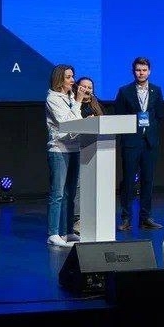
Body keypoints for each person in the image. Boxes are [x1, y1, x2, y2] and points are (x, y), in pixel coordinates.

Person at [114, 57, 164, 231]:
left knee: (148, 180)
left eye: (144, 70)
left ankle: (145, 218)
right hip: (131, 142)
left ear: (149, 71)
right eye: (138, 70)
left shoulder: (156, 90)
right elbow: (119, 116)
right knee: (128, 181)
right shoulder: (124, 91)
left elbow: (159, 115)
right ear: (133, 71)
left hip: (149, 142)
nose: (141, 73)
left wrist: (150, 132)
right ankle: (126, 218)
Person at [45, 64, 86, 247]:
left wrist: (77, 103)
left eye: (72, 76)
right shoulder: (52, 98)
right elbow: (66, 122)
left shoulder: (70, 97)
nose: (73, 80)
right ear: (60, 79)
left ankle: (67, 231)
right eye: (69, 77)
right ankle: (53, 233)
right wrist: (78, 101)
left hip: (74, 147)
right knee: (58, 193)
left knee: (71, 193)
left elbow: (77, 121)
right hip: (59, 149)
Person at [71, 76, 104, 235]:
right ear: (77, 87)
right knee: (78, 185)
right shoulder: (73, 104)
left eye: (89, 87)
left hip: (95, 150)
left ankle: (93, 216)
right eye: (83, 87)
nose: (86, 90)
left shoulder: (96, 104)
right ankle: (77, 219)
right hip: (77, 148)